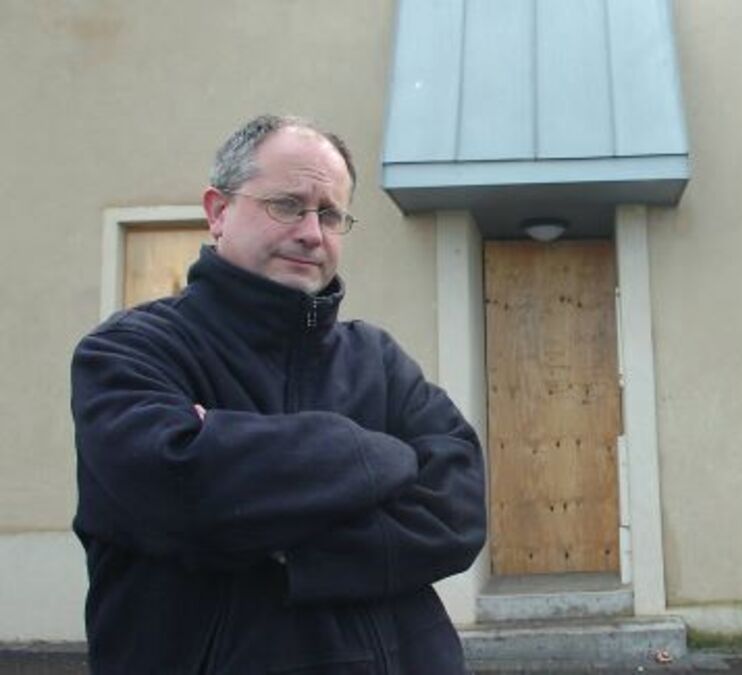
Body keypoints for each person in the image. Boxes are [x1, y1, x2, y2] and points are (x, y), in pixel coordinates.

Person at [70, 114, 487, 674]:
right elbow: (182, 489)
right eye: (287, 205)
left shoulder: (378, 360)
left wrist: (286, 548)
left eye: (330, 214)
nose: (312, 233)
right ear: (218, 211)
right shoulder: (129, 351)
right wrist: (378, 456)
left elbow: (458, 513)